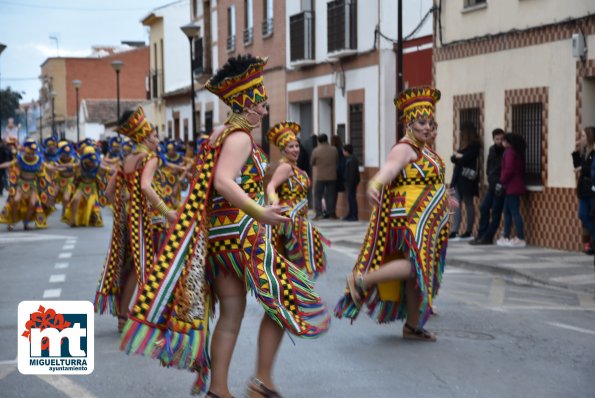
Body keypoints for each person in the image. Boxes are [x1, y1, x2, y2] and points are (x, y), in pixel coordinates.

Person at [119, 55, 329, 397]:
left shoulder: (220, 134)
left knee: (231, 314)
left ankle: (219, 390)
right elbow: (222, 182)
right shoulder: (241, 137)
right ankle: (262, 380)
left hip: (219, 238)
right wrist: (259, 212)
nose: (263, 110)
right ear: (246, 102)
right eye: (260, 103)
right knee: (285, 298)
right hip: (241, 236)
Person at [335, 86, 456, 341]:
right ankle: (362, 280)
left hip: (425, 223)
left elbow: (425, 183)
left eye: (430, 122)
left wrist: (445, 200)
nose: (427, 127)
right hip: (409, 221)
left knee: (416, 274)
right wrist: (375, 183)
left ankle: (412, 326)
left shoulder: (424, 150)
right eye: (421, 122)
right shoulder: (405, 148)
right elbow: (389, 169)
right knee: (413, 267)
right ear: (409, 123)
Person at [94, 106, 176, 332]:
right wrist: (166, 211)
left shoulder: (127, 160)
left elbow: (109, 193)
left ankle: (123, 318)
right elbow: (145, 186)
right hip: (152, 222)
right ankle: (154, 316)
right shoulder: (150, 158)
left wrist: (127, 209)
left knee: (131, 267)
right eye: (155, 136)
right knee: (159, 266)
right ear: (145, 138)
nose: (158, 140)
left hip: (130, 222)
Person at [266, 121, 330, 277]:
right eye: (290, 147)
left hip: (299, 217)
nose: (295, 150)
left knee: (295, 261)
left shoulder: (296, 168)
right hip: (290, 219)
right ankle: (297, 294)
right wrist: (274, 201)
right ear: (283, 150)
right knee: (298, 258)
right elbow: (271, 186)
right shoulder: (285, 167)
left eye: (296, 146)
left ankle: (296, 294)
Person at [0, 138, 56, 231]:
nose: (30, 155)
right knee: (16, 200)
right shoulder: (20, 159)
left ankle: (26, 223)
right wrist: (1, 165)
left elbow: (48, 166)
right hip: (21, 185)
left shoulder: (39, 160)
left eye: (32, 153)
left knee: (32, 203)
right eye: (29, 153)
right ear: (25, 152)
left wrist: (57, 168)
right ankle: (12, 222)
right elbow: (10, 163)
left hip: (32, 186)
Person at [470, 128, 506, 245]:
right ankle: (481, 234)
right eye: (497, 139)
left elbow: (505, 169)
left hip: (500, 186)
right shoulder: (492, 150)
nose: (499, 141)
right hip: (492, 185)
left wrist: (500, 183)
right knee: (484, 207)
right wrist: (490, 179)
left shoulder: (506, 151)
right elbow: (489, 166)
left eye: (501, 139)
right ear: (494, 139)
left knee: (496, 212)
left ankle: (488, 237)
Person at [449, 122, 481, 241]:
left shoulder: (474, 146)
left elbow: (466, 158)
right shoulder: (463, 146)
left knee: (468, 204)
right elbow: (453, 158)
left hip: (467, 180)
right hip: (458, 179)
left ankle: (469, 231)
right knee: (456, 204)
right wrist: (459, 157)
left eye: (462, 132)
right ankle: (454, 230)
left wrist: (459, 157)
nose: (460, 134)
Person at [496, 133, 527, 247]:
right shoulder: (516, 152)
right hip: (512, 186)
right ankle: (506, 236)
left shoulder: (509, 152)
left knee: (513, 212)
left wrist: (501, 181)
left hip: (511, 186)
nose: (502, 142)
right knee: (508, 212)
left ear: (508, 142)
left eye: (504, 140)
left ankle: (520, 237)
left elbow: (508, 169)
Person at [63, 145, 107, 227]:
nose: (91, 162)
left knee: (92, 206)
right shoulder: (80, 164)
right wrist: (60, 166)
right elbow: (70, 166)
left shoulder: (97, 164)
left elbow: (106, 170)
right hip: (82, 186)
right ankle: (73, 219)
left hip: (93, 187)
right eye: (89, 159)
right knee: (76, 200)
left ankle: (90, 218)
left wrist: (110, 170)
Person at [572, 126, 595, 253]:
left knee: (591, 216)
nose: (581, 139)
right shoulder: (585, 151)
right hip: (583, 189)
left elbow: (591, 170)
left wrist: (582, 168)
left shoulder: (593, 152)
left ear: (590, 137)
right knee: (582, 214)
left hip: (592, 189)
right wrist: (576, 150)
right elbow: (577, 165)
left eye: (583, 136)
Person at [311, 133, 338, 219]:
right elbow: (337, 159)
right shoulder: (334, 149)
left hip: (320, 176)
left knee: (318, 195)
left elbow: (312, 162)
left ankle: (319, 213)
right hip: (332, 176)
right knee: (331, 195)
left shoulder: (316, 150)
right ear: (327, 139)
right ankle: (332, 213)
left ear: (319, 141)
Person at [342, 143, 360, 221]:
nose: (343, 152)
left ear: (346, 151)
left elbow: (352, 174)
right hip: (349, 183)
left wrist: (351, 183)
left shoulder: (352, 160)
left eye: (343, 150)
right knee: (350, 199)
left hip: (351, 183)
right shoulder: (350, 159)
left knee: (352, 199)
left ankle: (354, 215)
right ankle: (350, 214)